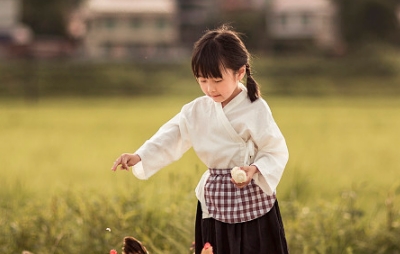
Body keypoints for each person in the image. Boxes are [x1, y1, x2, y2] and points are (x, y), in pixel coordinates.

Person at [111, 25, 289, 254]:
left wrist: (254, 169)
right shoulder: (196, 110)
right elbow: (171, 135)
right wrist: (139, 155)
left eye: (216, 80)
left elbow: (275, 149)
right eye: (202, 80)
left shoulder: (255, 108)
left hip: (253, 200)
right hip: (215, 201)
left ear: (240, 73)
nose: (209, 88)